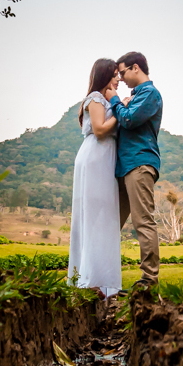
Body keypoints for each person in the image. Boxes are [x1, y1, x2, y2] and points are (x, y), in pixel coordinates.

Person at [67, 58, 123, 297]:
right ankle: (90, 280)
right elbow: (100, 130)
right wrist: (120, 109)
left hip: (105, 158)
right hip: (95, 158)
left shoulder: (106, 99)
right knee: (93, 217)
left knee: (103, 218)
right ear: (104, 75)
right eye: (114, 74)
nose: (118, 79)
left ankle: (99, 279)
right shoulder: (96, 98)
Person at [110, 51, 163, 288]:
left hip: (139, 164)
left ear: (135, 68)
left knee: (143, 221)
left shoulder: (150, 94)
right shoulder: (135, 96)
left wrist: (114, 100)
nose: (120, 79)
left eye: (122, 73)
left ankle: (149, 279)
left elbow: (129, 120)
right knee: (112, 223)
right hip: (124, 167)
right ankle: (105, 279)